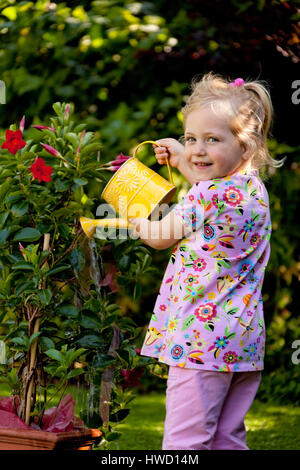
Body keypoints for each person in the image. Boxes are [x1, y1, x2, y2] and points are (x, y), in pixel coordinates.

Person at [129, 72, 284, 450]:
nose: (197, 149)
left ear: (246, 146)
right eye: (191, 138)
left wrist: (134, 217)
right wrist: (185, 158)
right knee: (227, 438)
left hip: (200, 343)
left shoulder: (206, 197)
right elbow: (207, 179)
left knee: (185, 441)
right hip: (241, 340)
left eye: (212, 139)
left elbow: (160, 236)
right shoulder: (252, 189)